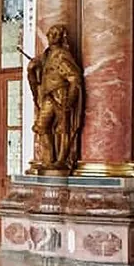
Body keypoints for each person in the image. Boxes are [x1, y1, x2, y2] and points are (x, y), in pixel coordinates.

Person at [28, 25, 84, 173]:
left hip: (61, 94)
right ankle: (49, 159)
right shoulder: (46, 55)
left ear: (62, 37)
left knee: (63, 128)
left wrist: (71, 99)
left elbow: (74, 77)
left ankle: (61, 160)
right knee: (41, 127)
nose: (53, 36)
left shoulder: (62, 55)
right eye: (51, 33)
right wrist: (31, 68)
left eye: (56, 34)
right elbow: (39, 75)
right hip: (48, 95)